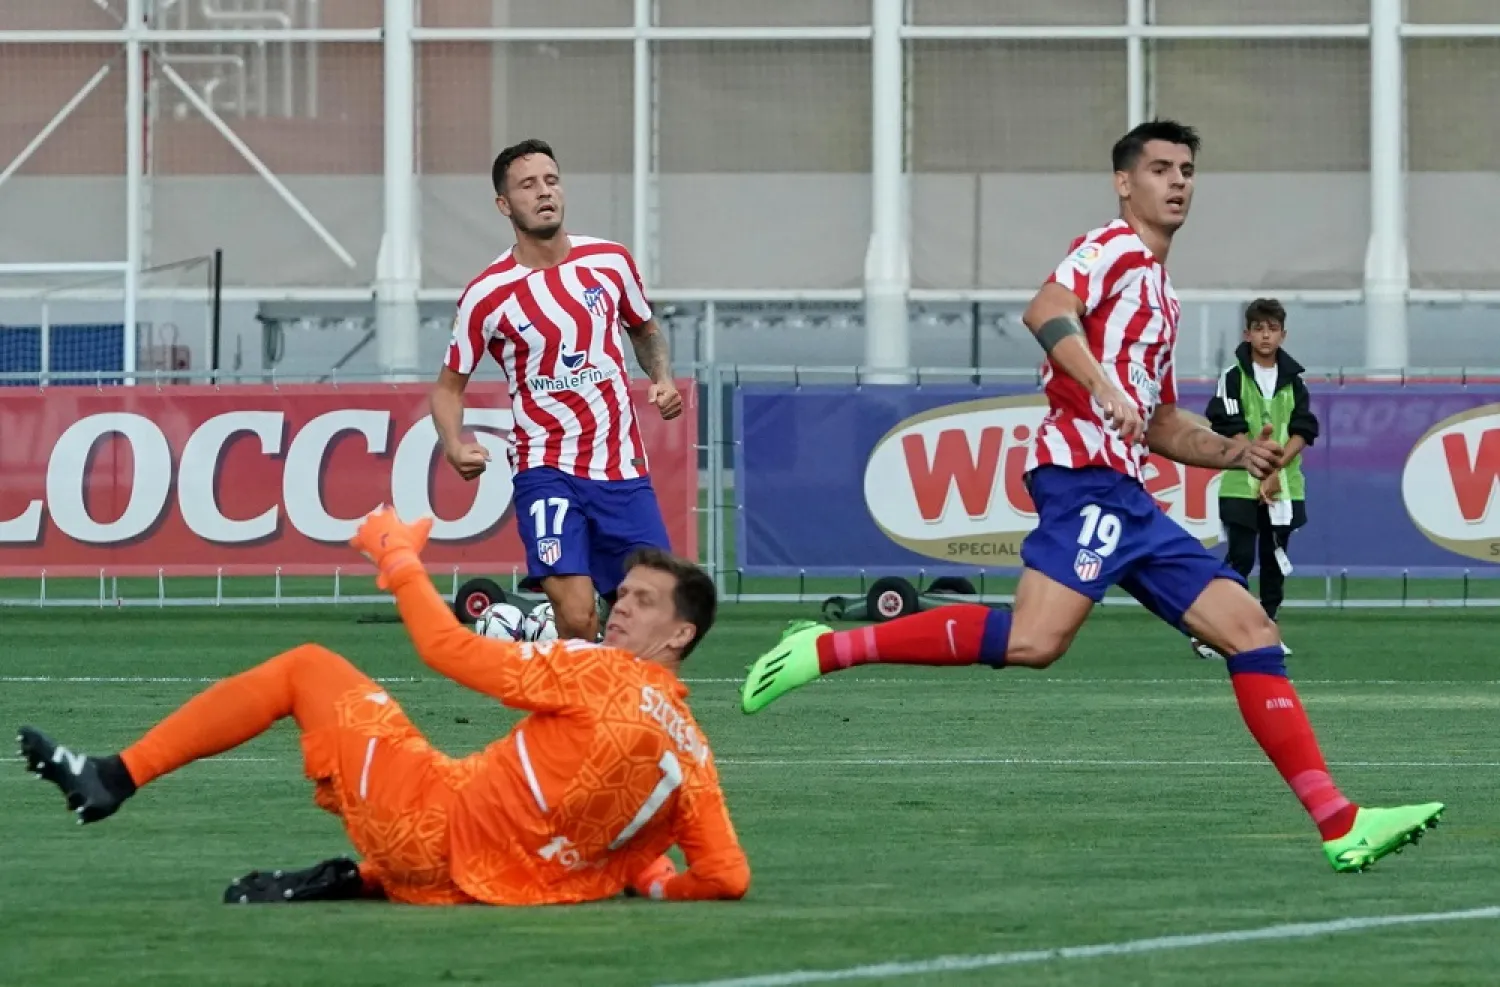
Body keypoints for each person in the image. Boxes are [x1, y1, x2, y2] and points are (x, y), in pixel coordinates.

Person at [739, 120, 1442, 874]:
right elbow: (1044, 309)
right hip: (1082, 478)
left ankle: (1341, 822)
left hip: (1128, 495)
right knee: (1035, 642)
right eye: (1162, 168)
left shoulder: (1162, 296)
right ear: (1124, 183)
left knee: (1251, 630)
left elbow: (1165, 421)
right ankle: (827, 646)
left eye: (1188, 170)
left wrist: (1233, 450)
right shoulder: (1111, 247)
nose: (1178, 182)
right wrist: (1101, 385)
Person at [18, 508, 749, 906]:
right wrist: (644, 878)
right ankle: (361, 879)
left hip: (431, 830)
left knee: (307, 667)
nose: (619, 607)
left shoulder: (598, 673)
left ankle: (114, 775)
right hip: (490, 885)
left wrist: (398, 557)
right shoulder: (695, 757)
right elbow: (725, 876)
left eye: (642, 601)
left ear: (681, 633)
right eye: (622, 594)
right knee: (456, 777)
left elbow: (444, 648)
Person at [431, 138, 684, 643]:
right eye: (528, 185)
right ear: (504, 205)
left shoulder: (610, 263)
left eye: (551, 180)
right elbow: (448, 388)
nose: (544, 193)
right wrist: (454, 444)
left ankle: (610, 703)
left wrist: (662, 378)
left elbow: (645, 329)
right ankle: (576, 705)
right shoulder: (487, 294)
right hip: (546, 470)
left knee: (655, 616)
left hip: (622, 469)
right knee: (577, 615)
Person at [1191, 298, 1319, 660]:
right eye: (1259, 328)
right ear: (1247, 333)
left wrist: (1275, 471)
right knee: (1240, 559)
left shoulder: (1295, 381)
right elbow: (1227, 425)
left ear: (1283, 334)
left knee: (1274, 560)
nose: (1265, 335)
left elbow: (1303, 429)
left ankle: (1267, 631)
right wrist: (1258, 466)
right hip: (1240, 484)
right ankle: (1215, 633)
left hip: (1284, 487)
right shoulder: (1232, 377)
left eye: (1272, 329)